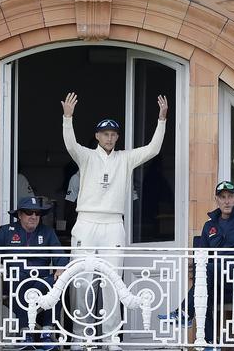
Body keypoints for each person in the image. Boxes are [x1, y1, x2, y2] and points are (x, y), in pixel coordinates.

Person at [60, 92, 168, 350]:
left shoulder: (125, 158)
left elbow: (153, 149)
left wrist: (161, 120)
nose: (109, 137)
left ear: (117, 137)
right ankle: (80, 337)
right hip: (86, 222)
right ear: (97, 136)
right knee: (83, 281)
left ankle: (111, 339)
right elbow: (70, 145)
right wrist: (67, 117)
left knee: (112, 282)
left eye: (113, 134)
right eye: (105, 133)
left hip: (113, 225)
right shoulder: (86, 156)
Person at [159, 180, 234, 351]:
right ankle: (210, 343)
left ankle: (184, 313)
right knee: (203, 291)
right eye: (222, 197)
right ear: (217, 200)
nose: (226, 201)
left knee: (206, 274)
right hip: (218, 279)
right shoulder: (210, 226)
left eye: (230, 197)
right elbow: (202, 257)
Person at [0, 196, 70, 351]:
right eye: (29, 212)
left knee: (58, 283)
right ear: (20, 215)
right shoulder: (5, 231)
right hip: (15, 280)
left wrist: (60, 267)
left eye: (37, 213)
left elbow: (61, 256)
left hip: (40, 281)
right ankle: (24, 332)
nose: (34, 216)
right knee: (17, 280)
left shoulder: (47, 232)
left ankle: (46, 332)